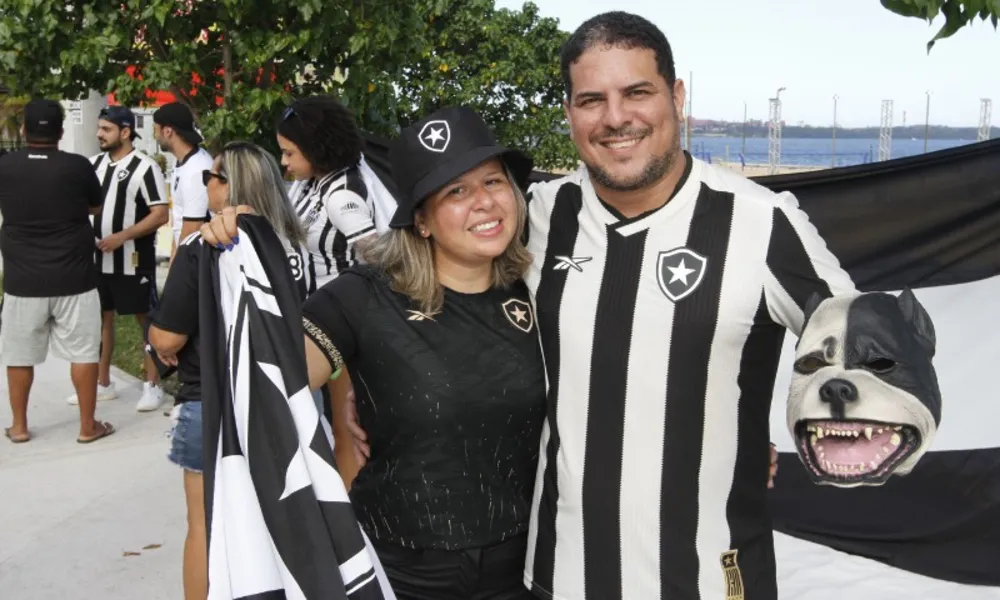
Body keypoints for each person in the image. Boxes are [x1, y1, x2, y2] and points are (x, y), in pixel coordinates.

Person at [516, 12, 857, 600]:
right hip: (560, 574)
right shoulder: (537, 216)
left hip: (711, 580)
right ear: (569, 112)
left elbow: (860, 346)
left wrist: (766, 433)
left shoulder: (761, 222)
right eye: (591, 99)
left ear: (676, 96)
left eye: (637, 92)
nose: (615, 117)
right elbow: (422, 287)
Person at [202, 106, 546, 600]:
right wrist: (238, 254)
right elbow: (268, 381)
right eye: (456, 191)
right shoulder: (365, 295)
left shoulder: (537, 288)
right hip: (402, 569)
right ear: (421, 220)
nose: (485, 203)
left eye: (493, 182)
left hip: (526, 567)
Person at [147, 141, 308, 600]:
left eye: (210, 177)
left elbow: (166, 339)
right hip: (289, 398)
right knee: (287, 518)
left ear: (231, 185)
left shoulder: (205, 244)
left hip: (211, 400)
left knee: (205, 526)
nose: (205, 185)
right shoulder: (295, 242)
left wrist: (163, 343)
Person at [0, 99, 115, 443]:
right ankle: (86, 426)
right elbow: (95, 207)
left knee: (20, 355)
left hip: (22, 280)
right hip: (75, 277)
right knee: (83, 352)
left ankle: (19, 427)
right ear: (61, 133)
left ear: (23, 130)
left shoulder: (5, 166)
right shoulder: (78, 166)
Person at [66, 106, 170, 412]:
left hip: (134, 258)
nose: (99, 134)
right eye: (99, 128)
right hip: (97, 261)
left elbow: (160, 213)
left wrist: (122, 236)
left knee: (145, 320)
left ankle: (153, 384)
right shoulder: (94, 165)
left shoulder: (145, 167)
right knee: (99, 320)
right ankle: (102, 383)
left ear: (125, 132)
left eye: (106, 129)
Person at [152, 102, 214, 258]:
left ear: (167, 131)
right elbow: (179, 226)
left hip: (196, 261)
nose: (155, 136)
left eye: (155, 130)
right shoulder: (181, 162)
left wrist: (175, 274)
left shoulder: (197, 169)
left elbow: (191, 229)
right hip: (187, 259)